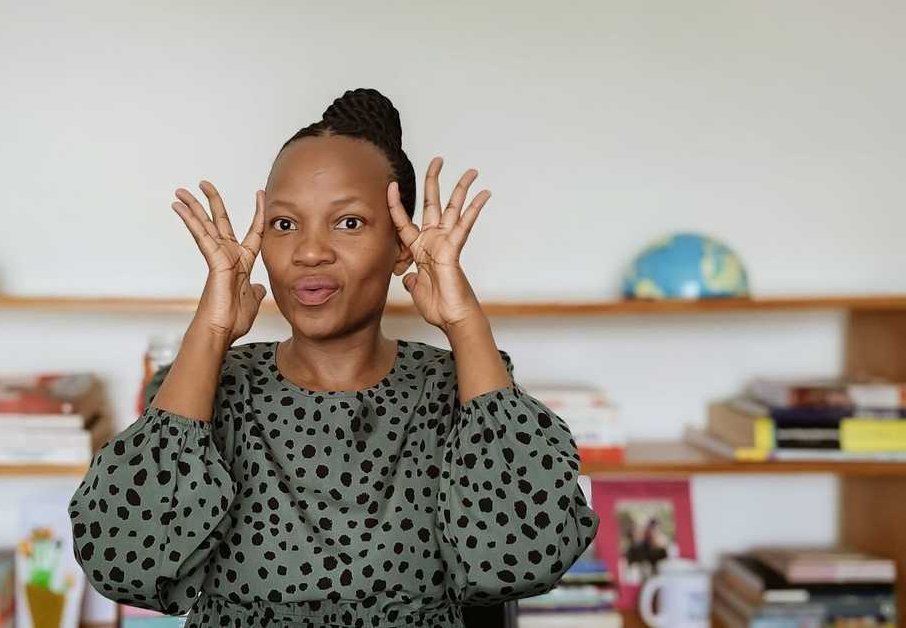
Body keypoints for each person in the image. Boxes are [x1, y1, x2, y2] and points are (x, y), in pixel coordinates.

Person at [69, 87, 600, 628]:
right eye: (284, 224)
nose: (310, 251)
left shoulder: (460, 390)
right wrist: (209, 332)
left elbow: (520, 562)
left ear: (400, 246)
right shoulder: (209, 390)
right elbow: (125, 566)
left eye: (348, 222)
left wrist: (466, 325)